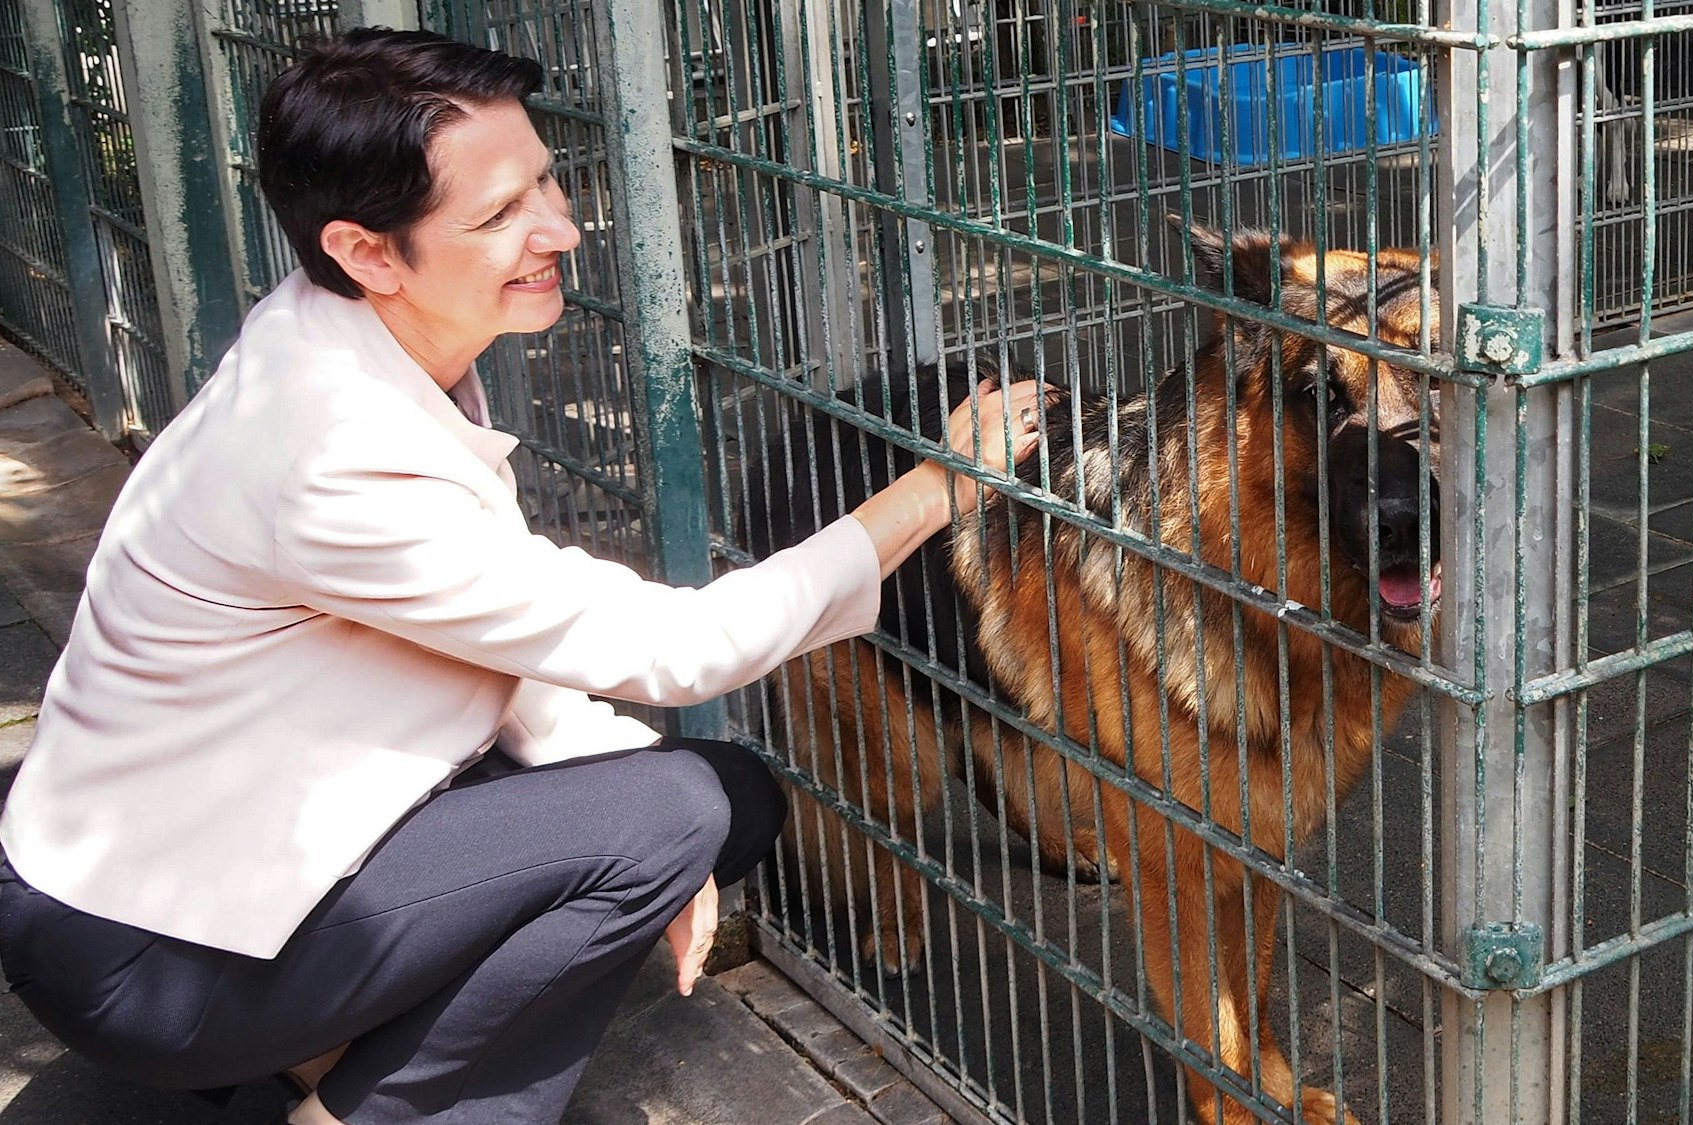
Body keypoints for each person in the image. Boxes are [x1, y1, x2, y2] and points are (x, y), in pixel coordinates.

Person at [0, 27, 1043, 1125]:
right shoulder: (330, 453)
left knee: (717, 803)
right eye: (499, 214)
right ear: (368, 252)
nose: (560, 227)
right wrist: (933, 488)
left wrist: (645, 844)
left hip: (197, 855)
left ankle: (336, 1047)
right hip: (148, 951)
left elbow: (508, 639)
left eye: (545, 178)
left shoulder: (345, 338)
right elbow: (679, 649)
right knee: (677, 808)